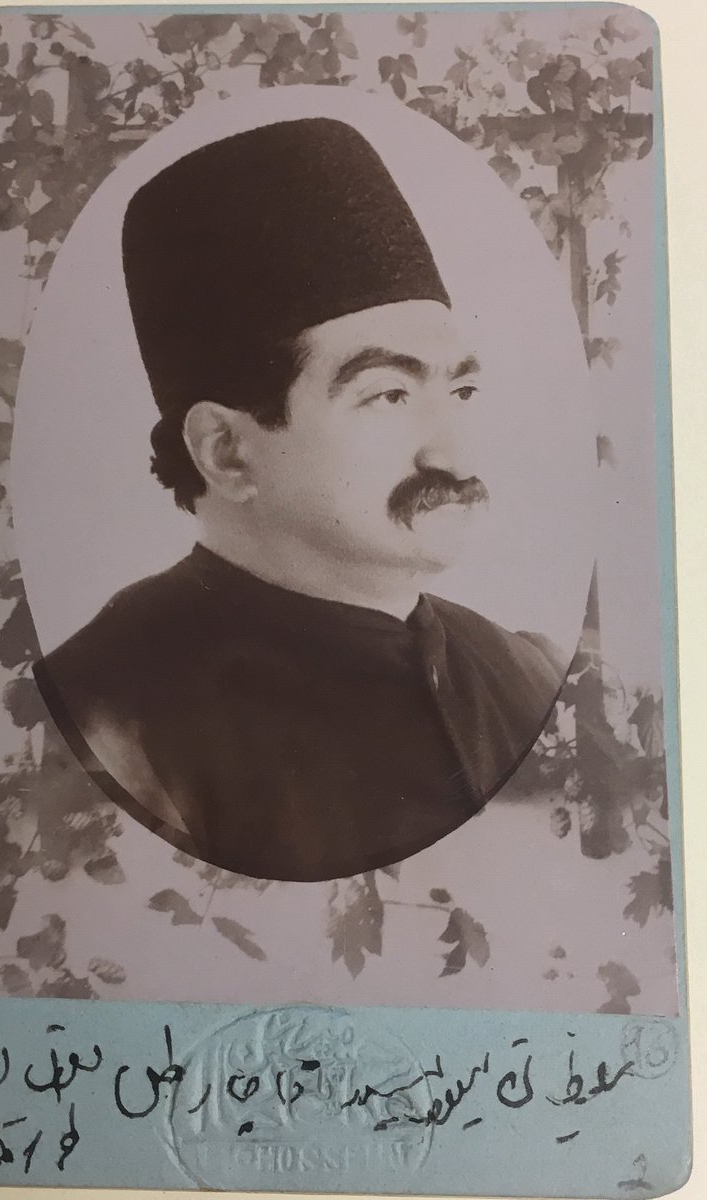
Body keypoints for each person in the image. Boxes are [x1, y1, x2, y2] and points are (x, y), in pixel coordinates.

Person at [34, 117, 565, 882]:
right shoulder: (101, 726)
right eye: (387, 395)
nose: (451, 456)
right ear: (226, 450)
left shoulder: (528, 674)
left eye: (460, 391)